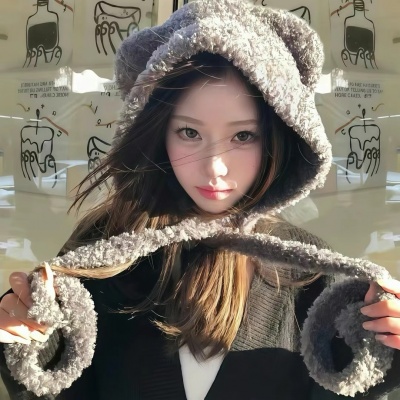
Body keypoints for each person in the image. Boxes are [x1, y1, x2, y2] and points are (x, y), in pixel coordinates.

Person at [1, 1, 400, 399]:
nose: (215, 168)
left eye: (243, 136)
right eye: (189, 133)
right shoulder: (102, 250)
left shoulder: (310, 271)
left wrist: (384, 353)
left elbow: (339, 388)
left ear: (279, 140)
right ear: (157, 133)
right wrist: (30, 343)